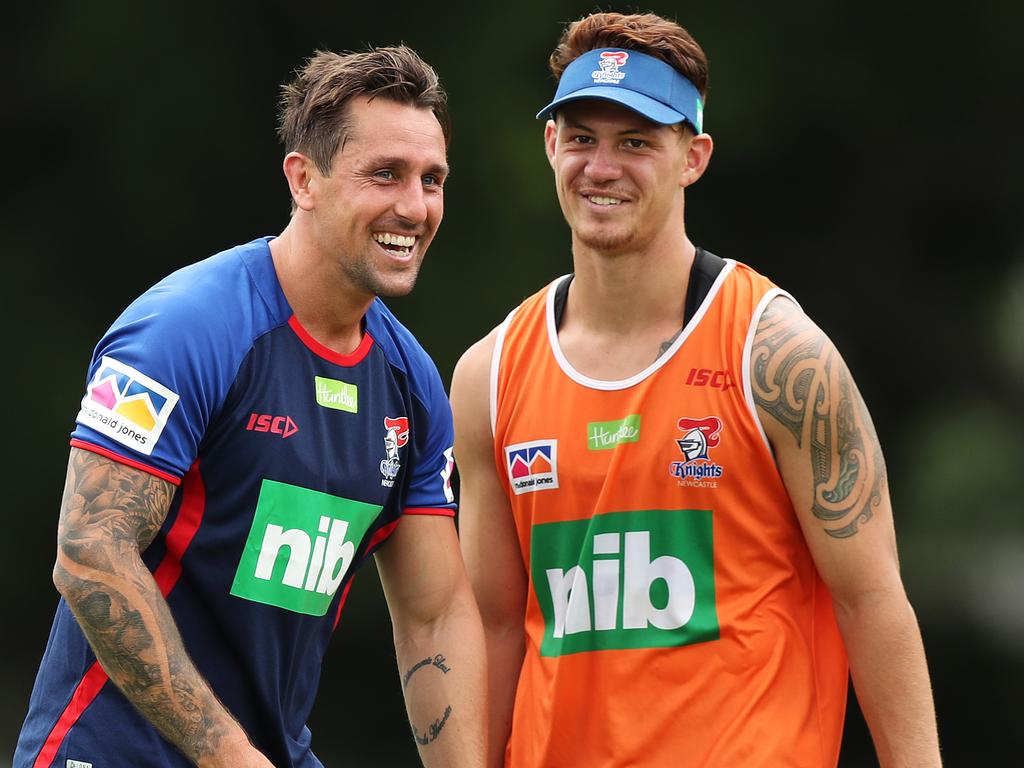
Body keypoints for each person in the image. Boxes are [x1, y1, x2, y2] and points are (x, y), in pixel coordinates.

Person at [451, 12, 940, 767]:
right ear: (551, 145)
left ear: (694, 156)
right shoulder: (491, 373)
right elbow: (489, 626)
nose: (601, 166)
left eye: (637, 141)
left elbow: (871, 600)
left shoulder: (775, 354)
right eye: (581, 137)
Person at [15, 47, 485, 768]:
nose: (414, 207)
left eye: (432, 180)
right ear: (304, 178)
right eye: (384, 174)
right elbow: (89, 553)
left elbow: (434, 616)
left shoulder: (412, 385)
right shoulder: (187, 327)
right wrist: (229, 755)